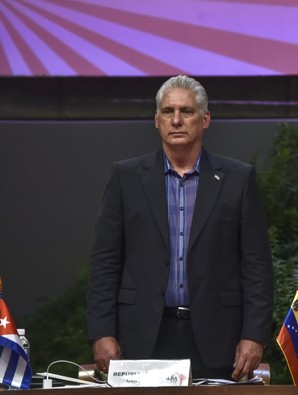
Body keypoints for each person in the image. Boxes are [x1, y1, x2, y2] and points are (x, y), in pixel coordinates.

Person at [86, 75, 274, 381]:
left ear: (205, 119)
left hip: (217, 337)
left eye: (186, 112)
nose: (176, 120)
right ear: (156, 120)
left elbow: (257, 266)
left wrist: (255, 335)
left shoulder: (238, 179)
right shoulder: (126, 177)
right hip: (143, 335)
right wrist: (101, 332)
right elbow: (105, 262)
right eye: (168, 111)